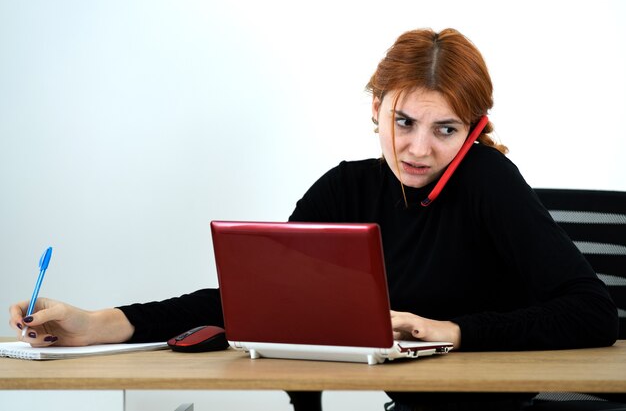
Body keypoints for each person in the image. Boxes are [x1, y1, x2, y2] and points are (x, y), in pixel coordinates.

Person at [8, 28, 618, 411]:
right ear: (377, 107)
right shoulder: (347, 187)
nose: (419, 149)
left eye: (446, 130)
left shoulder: (488, 181)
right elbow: (253, 303)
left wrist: (455, 330)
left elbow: (593, 310)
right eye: (404, 121)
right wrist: (98, 324)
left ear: (474, 130)